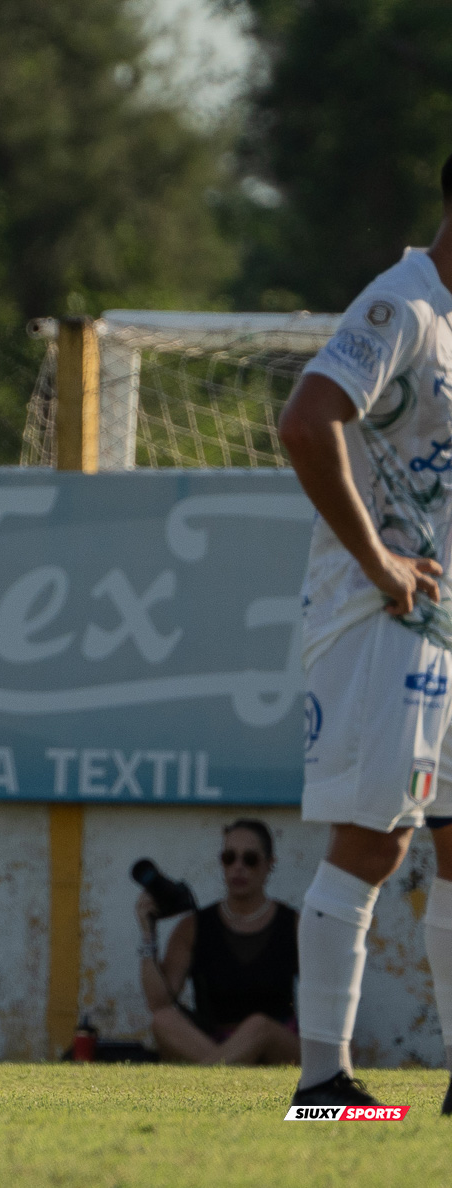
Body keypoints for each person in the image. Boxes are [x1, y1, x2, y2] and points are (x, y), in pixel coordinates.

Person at [277, 151, 452, 1110]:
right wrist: (381, 563)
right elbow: (307, 423)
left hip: (442, 624)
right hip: (381, 616)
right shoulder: (404, 306)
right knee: (373, 840)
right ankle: (323, 1080)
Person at [136, 820, 300, 1065]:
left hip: (277, 1046)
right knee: (163, 1020)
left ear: (269, 864)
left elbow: (325, 999)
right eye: (229, 858)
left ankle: (214, 1075)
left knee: (258, 1026)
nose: (238, 867)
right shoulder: (193, 926)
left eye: (250, 859)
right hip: (213, 1043)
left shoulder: (293, 924)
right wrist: (147, 933)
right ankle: (231, 1071)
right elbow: (159, 1003)